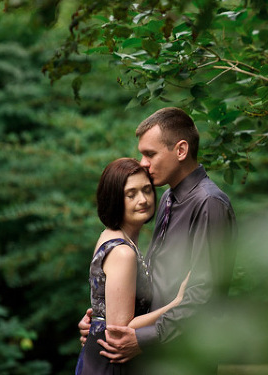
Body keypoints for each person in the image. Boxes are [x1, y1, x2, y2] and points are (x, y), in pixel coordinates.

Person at [78, 107, 238, 373]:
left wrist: (141, 338)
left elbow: (203, 295)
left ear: (181, 150)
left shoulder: (209, 203)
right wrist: (102, 322)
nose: (143, 162)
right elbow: (153, 281)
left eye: (150, 154)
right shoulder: (166, 198)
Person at [76, 157, 189, 374]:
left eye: (147, 190)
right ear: (115, 199)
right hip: (110, 362)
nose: (143, 199)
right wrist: (177, 303)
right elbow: (119, 329)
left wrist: (95, 322)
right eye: (131, 194)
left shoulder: (111, 235)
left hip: (100, 356)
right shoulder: (123, 252)